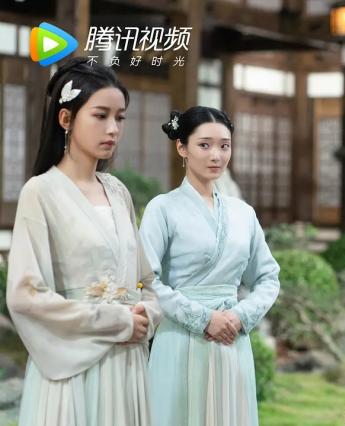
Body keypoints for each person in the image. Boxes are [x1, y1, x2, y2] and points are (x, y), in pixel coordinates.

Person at [6, 57, 161, 426]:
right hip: (74, 370)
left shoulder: (118, 192)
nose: (113, 129)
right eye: (101, 115)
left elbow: (147, 281)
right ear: (66, 118)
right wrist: (115, 320)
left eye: (120, 118)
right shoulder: (41, 192)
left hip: (127, 366)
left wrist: (148, 314)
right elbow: (25, 295)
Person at [139, 107, 280, 426]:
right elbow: (147, 280)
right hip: (179, 338)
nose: (216, 155)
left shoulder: (244, 213)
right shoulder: (162, 209)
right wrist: (203, 319)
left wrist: (240, 315)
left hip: (231, 338)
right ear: (182, 147)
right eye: (204, 145)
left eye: (224, 146)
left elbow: (268, 277)